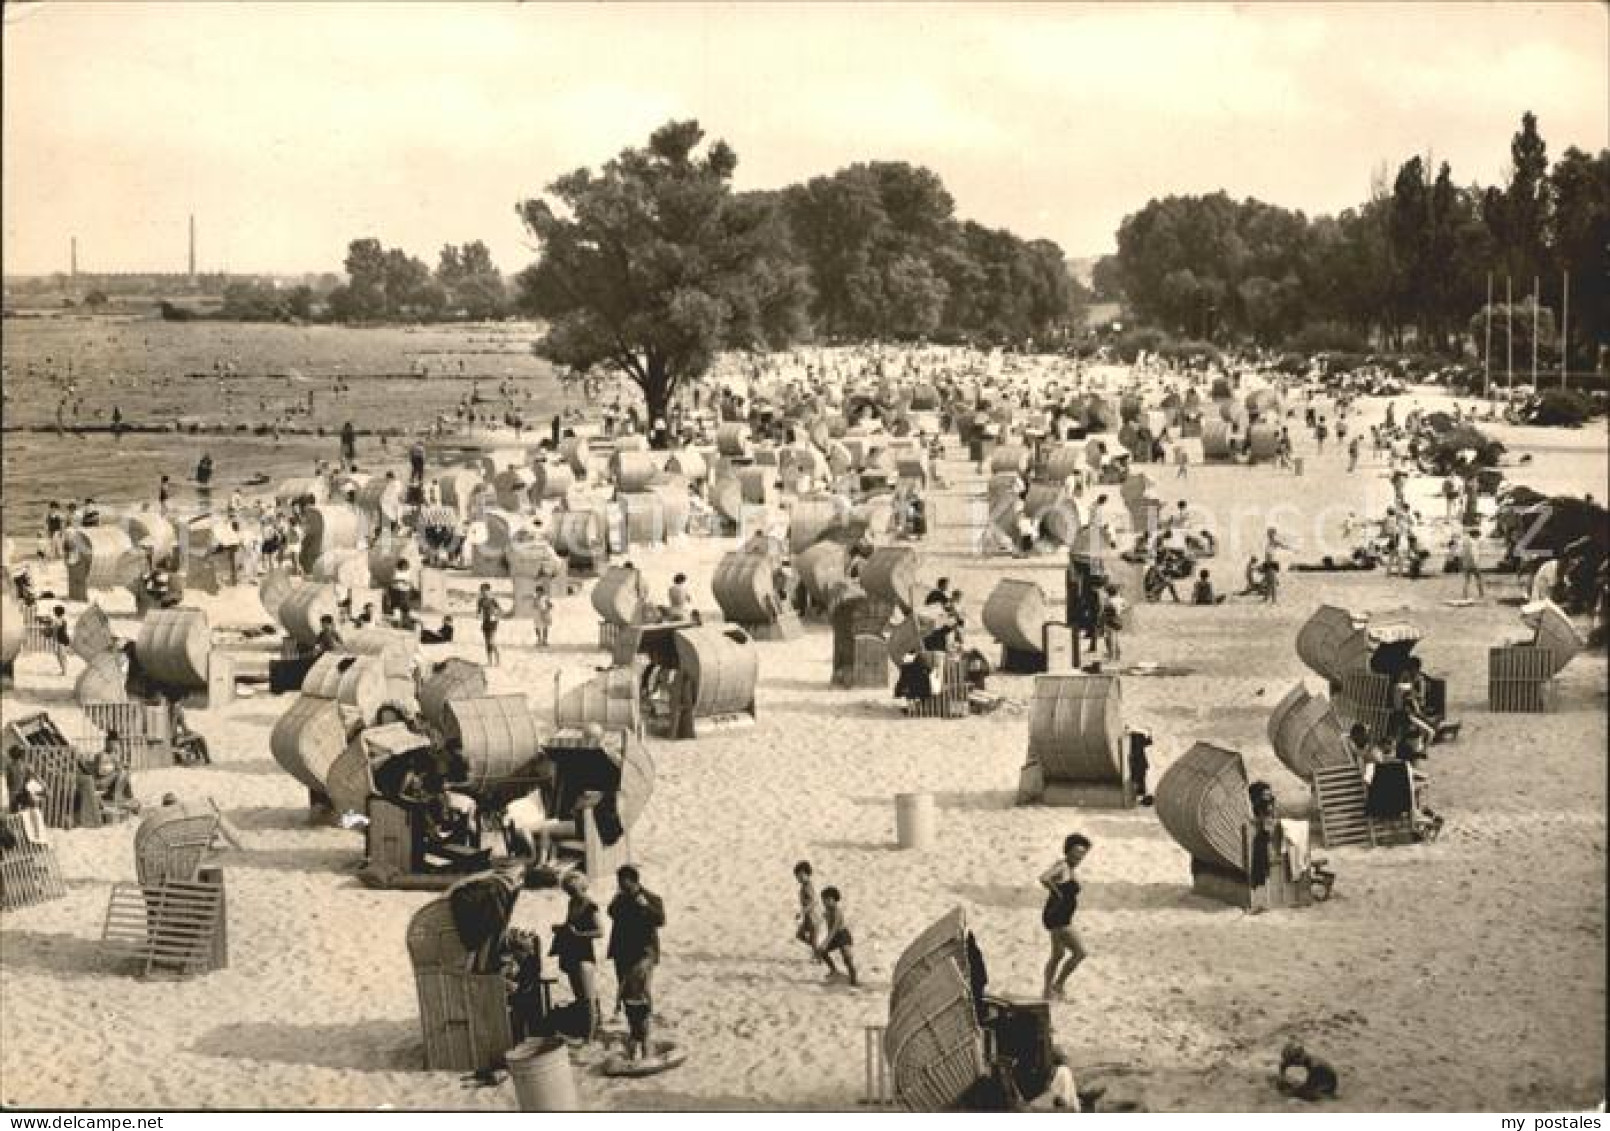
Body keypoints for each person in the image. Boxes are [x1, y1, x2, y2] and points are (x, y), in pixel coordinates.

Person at [607, 865, 667, 1062]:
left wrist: (645, 907)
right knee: (627, 995)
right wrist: (620, 898)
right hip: (622, 953)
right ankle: (635, 1034)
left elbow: (660, 920)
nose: (622, 888)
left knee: (640, 994)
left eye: (625, 884)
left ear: (634, 881)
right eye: (619, 884)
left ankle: (645, 1038)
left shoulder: (651, 898)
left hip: (644, 954)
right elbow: (611, 912)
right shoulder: (620, 899)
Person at [550, 871, 604, 1041]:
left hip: (584, 954)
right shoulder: (572, 903)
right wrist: (561, 928)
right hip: (571, 952)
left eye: (574, 890)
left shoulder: (591, 906)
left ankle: (590, 1035)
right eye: (569, 890)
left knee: (588, 997)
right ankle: (586, 1029)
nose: (572, 894)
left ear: (582, 887)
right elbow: (571, 924)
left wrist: (578, 934)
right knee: (580, 996)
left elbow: (600, 931)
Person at [1039, 833, 1090, 1000]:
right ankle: (1058, 986)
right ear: (1067, 851)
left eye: (1082, 854)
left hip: (1058, 916)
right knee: (1080, 953)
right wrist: (1058, 894)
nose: (1079, 857)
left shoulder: (1069, 868)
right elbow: (1044, 878)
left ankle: (1048, 991)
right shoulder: (1062, 866)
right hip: (1059, 917)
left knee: (1058, 954)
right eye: (1076, 853)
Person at [816, 885, 859, 987]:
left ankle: (853, 978)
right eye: (824, 900)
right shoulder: (827, 911)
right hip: (834, 936)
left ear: (835, 900)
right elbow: (825, 926)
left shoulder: (837, 912)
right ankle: (833, 970)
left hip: (842, 935)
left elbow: (834, 929)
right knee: (822, 952)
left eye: (828, 900)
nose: (825, 902)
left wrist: (825, 942)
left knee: (847, 958)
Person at [792, 860, 825, 967]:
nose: (799, 878)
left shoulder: (808, 887)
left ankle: (819, 958)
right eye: (798, 876)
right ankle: (818, 951)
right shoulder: (804, 886)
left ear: (808, 874)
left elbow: (814, 901)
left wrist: (802, 911)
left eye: (802, 875)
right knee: (800, 935)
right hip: (808, 918)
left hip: (814, 918)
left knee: (813, 940)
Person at [476, 583, 503, 667]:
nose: (484, 592)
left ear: (489, 591)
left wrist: (496, 616)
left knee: (491, 641)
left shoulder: (493, 600)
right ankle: (489, 661)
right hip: (485, 622)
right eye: (482, 590)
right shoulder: (480, 601)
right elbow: (478, 611)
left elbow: (500, 610)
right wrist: (479, 615)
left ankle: (498, 659)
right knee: (487, 642)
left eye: (485, 590)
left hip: (493, 622)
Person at [1458, 527, 1485, 598]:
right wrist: (1475, 562)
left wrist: (1462, 562)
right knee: (1478, 578)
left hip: (1466, 563)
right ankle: (1481, 593)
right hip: (1473, 563)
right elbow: (1473, 553)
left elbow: (1461, 553)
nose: (1478, 537)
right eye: (1478, 535)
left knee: (1467, 579)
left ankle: (1465, 594)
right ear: (1475, 535)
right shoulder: (1473, 542)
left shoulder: (1465, 541)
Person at [50, 605, 70, 675]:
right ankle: (64, 670)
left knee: (60, 656)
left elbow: (55, 631)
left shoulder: (57, 620)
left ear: (56, 612)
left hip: (60, 639)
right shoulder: (64, 619)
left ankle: (64, 671)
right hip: (65, 638)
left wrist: (53, 640)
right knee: (62, 655)